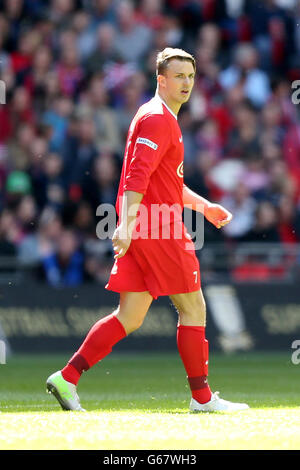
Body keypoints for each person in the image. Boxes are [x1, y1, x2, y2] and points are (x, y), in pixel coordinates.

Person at [46, 48, 249, 413]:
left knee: (130, 315)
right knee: (194, 308)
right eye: (178, 76)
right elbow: (137, 176)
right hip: (158, 228)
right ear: (162, 79)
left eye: (191, 76)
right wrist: (125, 223)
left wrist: (204, 207)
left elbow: (164, 182)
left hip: (144, 224)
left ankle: (67, 377)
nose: (186, 83)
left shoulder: (153, 115)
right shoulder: (159, 119)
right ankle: (202, 398)